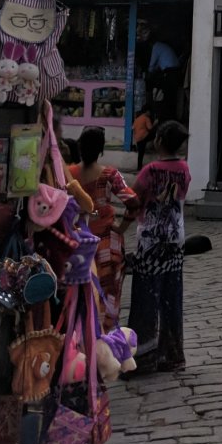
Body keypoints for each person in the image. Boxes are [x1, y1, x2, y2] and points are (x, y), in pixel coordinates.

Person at [127, 120, 190, 374]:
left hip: (150, 241)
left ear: (160, 141)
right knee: (171, 297)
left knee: (145, 298)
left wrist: (122, 224)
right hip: (175, 240)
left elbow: (133, 199)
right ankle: (172, 354)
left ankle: (143, 358)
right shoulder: (184, 169)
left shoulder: (150, 171)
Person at [68, 126, 138, 328]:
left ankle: (82, 333)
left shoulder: (69, 175)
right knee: (109, 293)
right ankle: (106, 335)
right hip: (107, 242)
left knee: (80, 291)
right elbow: (133, 202)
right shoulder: (110, 175)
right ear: (101, 150)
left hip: (77, 241)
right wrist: (122, 227)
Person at [132, 104, 155, 170]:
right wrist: (155, 123)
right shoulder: (146, 118)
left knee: (140, 153)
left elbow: (133, 128)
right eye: (150, 112)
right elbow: (150, 128)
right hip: (144, 137)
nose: (150, 113)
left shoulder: (137, 119)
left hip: (137, 138)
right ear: (147, 111)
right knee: (155, 133)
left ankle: (139, 167)